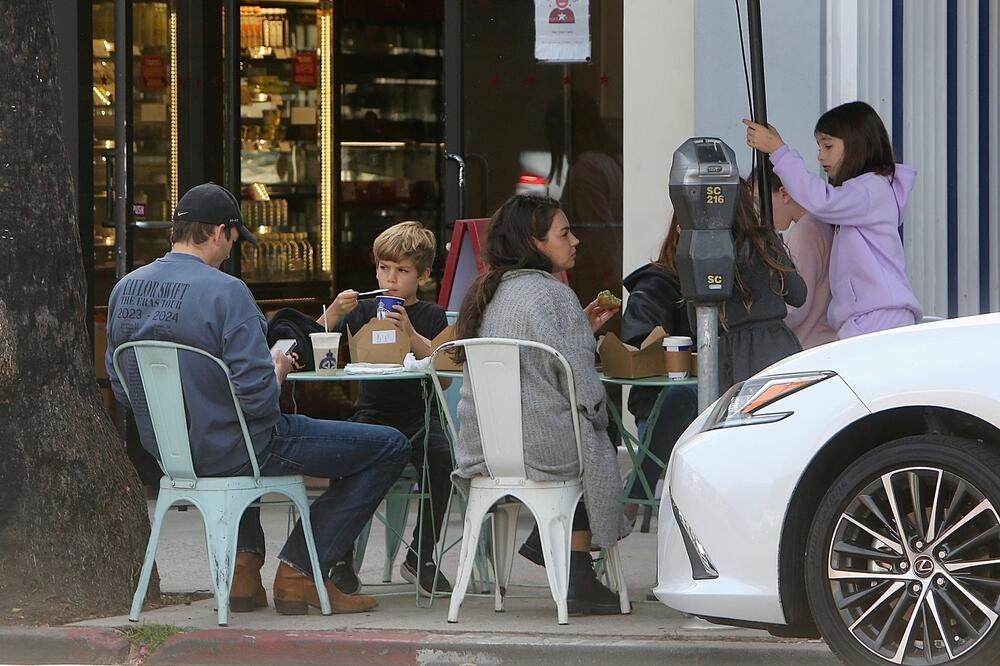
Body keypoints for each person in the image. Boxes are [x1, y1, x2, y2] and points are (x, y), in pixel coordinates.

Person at [105, 183, 410, 616]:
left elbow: (122, 388)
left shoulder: (124, 290)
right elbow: (259, 401)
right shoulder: (228, 293)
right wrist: (280, 366)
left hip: (171, 456)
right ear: (217, 233)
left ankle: (244, 573)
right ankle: (299, 571)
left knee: (236, 431)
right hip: (240, 447)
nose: (230, 251)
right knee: (389, 446)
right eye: (232, 239)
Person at [452, 193, 630, 616]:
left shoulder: (487, 292)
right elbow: (581, 386)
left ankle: (557, 548)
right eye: (564, 233)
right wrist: (602, 416)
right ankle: (578, 568)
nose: (575, 242)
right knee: (598, 429)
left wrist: (578, 329)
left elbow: (543, 359)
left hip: (482, 449)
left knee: (589, 427)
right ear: (535, 243)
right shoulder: (554, 295)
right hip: (544, 449)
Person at [319, 221, 453, 598]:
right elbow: (311, 344)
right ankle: (340, 559)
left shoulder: (431, 316)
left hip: (420, 416)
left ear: (423, 276)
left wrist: (410, 333)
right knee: (344, 460)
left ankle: (422, 555)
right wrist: (333, 313)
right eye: (383, 268)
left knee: (442, 460)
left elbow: (443, 379)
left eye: (402, 271)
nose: (390, 278)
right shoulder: (361, 312)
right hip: (372, 413)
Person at [744, 101, 923, 339]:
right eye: (819, 146)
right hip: (873, 317)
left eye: (827, 146)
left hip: (877, 318)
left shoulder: (870, 190)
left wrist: (779, 151)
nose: (820, 156)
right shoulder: (869, 192)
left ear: (858, 144)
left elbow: (821, 201)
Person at [620, 223, 698, 522]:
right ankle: (640, 486)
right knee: (683, 393)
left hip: (719, 403)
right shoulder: (656, 284)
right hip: (663, 405)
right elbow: (639, 344)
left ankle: (639, 482)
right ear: (681, 230)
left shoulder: (736, 281)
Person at [708, 179, 807, 391]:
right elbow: (798, 295)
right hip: (777, 346)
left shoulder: (706, 250)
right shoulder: (765, 239)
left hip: (731, 354)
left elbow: (695, 323)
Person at [754, 168, 836, 348]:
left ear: (784, 194)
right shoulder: (821, 225)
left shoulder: (804, 232)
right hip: (825, 340)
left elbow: (797, 304)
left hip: (808, 345)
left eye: (760, 202)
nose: (759, 212)